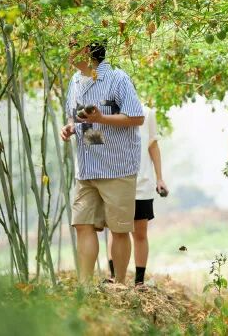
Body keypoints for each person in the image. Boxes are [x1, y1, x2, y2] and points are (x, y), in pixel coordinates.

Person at [61, 37, 145, 285]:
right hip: (87, 167)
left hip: (116, 166)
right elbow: (74, 118)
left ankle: (119, 284)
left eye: (72, 46)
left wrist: (102, 119)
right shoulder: (75, 81)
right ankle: (85, 286)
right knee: (82, 224)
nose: (68, 51)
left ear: (86, 49)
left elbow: (136, 117)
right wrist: (69, 128)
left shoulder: (117, 78)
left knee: (118, 229)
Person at [106, 105, 169, 286]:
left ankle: (139, 282)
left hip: (141, 182)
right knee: (116, 231)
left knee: (140, 233)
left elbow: (153, 145)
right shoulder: (106, 111)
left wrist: (159, 178)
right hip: (115, 182)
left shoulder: (146, 112)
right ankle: (114, 277)